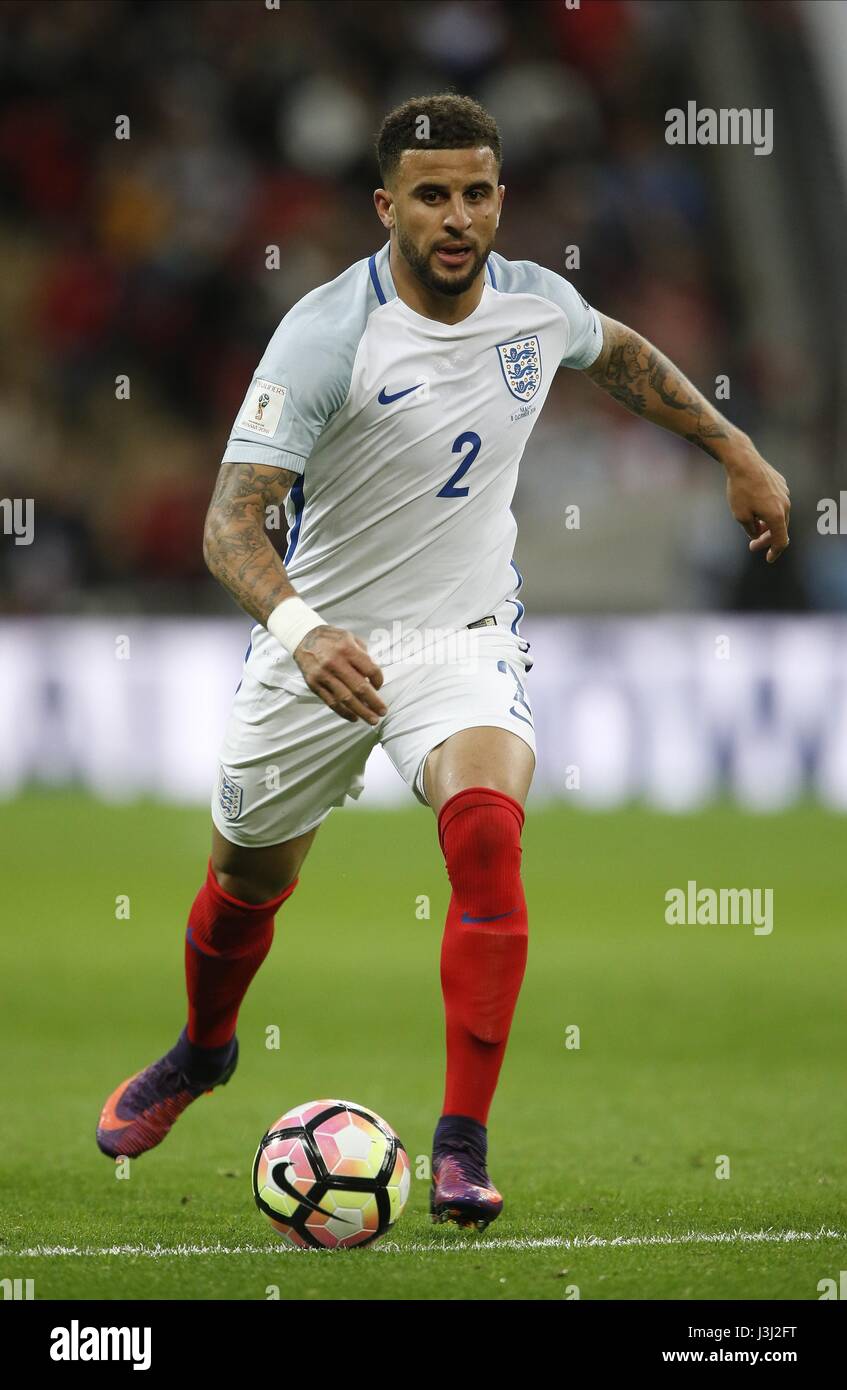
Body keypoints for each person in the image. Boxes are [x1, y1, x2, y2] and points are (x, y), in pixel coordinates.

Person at [96, 93, 790, 1231]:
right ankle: (202, 1049)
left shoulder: (533, 303)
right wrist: (302, 632)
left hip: (461, 637)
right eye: (430, 196)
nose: (456, 216)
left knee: (484, 833)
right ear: (387, 208)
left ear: (500, 198)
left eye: (475, 192)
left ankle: (460, 1144)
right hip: (317, 642)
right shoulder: (326, 334)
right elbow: (229, 525)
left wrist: (733, 445)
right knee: (242, 889)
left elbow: (617, 354)